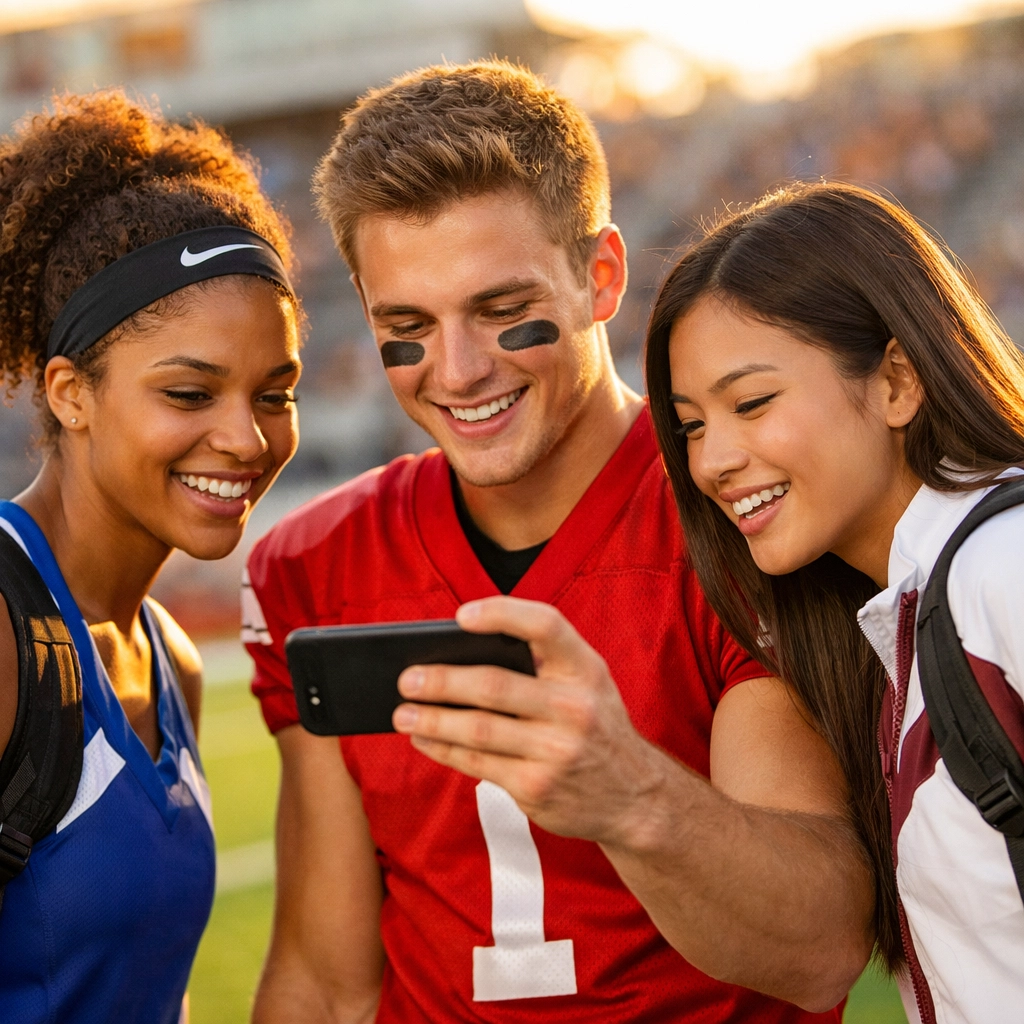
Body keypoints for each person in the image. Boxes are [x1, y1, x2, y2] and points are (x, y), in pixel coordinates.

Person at [244, 62, 873, 1023]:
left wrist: (630, 797)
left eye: (502, 310)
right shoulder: (317, 560)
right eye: (406, 325)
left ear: (601, 276)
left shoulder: (739, 513)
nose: (456, 371)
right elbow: (327, 982)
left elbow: (820, 949)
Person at [644, 181, 1024, 1024]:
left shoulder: (1003, 567)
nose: (711, 463)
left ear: (896, 381)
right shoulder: (904, 618)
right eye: (691, 425)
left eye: (750, 404)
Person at [0, 91, 302, 1023]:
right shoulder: (5, 637)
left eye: (275, 392)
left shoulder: (169, 656)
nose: (247, 439)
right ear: (71, 392)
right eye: (188, 392)